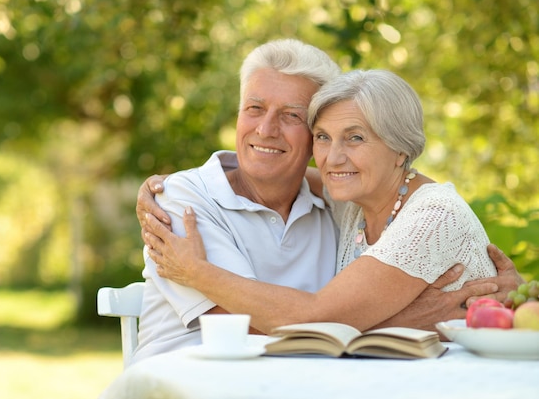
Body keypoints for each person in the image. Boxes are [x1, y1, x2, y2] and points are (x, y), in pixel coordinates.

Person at [143, 69, 523, 335]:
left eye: (355, 138)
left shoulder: (431, 216)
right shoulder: (356, 200)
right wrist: (174, 187)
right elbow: (275, 173)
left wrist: (195, 271)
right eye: (323, 137)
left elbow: (312, 320)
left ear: (401, 149)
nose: (332, 158)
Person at [129, 38, 344, 364]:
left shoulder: (335, 206)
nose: (266, 129)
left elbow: (397, 185)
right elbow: (245, 322)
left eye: (291, 116)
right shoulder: (179, 200)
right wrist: (407, 322)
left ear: (319, 136)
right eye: (255, 109)